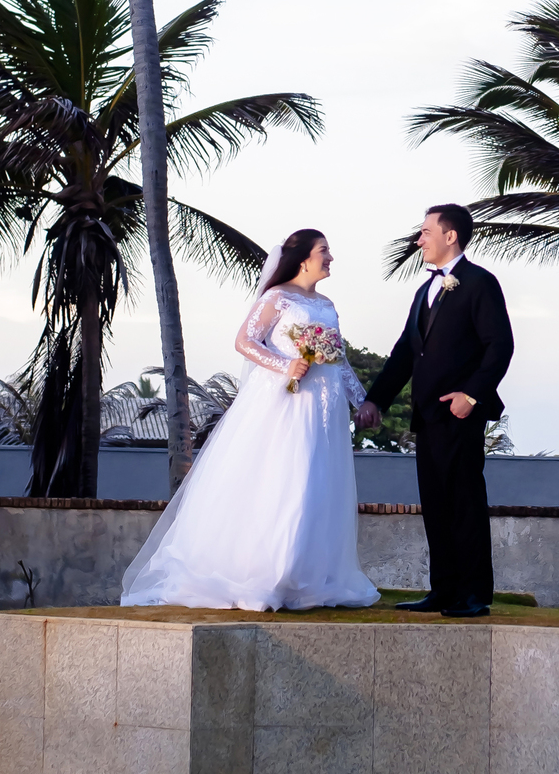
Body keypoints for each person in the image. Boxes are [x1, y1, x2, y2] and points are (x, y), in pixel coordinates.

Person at [121, 228, 378, 611]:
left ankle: (307, 576)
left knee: (319, 484)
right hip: (285, 405)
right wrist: (285, 365)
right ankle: (265, 572)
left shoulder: (327, 304)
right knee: (284, 480)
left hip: (323, 412)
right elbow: (245, 341)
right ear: (304, 257)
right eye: (324, 250)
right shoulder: (277, 297)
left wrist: (363, 402)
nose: (330, 257)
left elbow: (338, 361)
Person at [355, 203, 513, 617]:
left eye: (425, 231)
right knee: (437, 504)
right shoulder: (424, 290)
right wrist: (376, 399)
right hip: (426, 417)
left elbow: (501, 346)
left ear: (450, 236)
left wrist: (472, 395)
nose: (419, 239)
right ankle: (443, 590)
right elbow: (405, 353)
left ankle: (475, 594)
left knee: (464, 502)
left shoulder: (480, 283)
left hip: (460, 414)